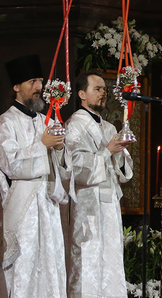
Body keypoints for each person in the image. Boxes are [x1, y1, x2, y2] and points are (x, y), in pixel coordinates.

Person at [0, 54, 69, 298]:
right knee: (24, 265)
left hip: (47, 205)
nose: (39, 88)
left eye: (40, 81)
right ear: (16, 86)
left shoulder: (48, 121)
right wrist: (42, 145)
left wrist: (59, 150)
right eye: (32, 81)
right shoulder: (6, 122)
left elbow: (65, 167)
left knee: (49, 264)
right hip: (22, 207)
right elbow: (11, 166)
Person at [64, 70, 134, 298]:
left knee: (111, 262)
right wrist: (107, 152)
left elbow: (125, 174)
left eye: (104, 89)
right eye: (98, 89)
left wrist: (119, 153)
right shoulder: (74, 124)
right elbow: (77, 168)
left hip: (109, 205)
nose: (103, 93)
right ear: (82, 94)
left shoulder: (110, 128)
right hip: (88, 205)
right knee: (88, 262)